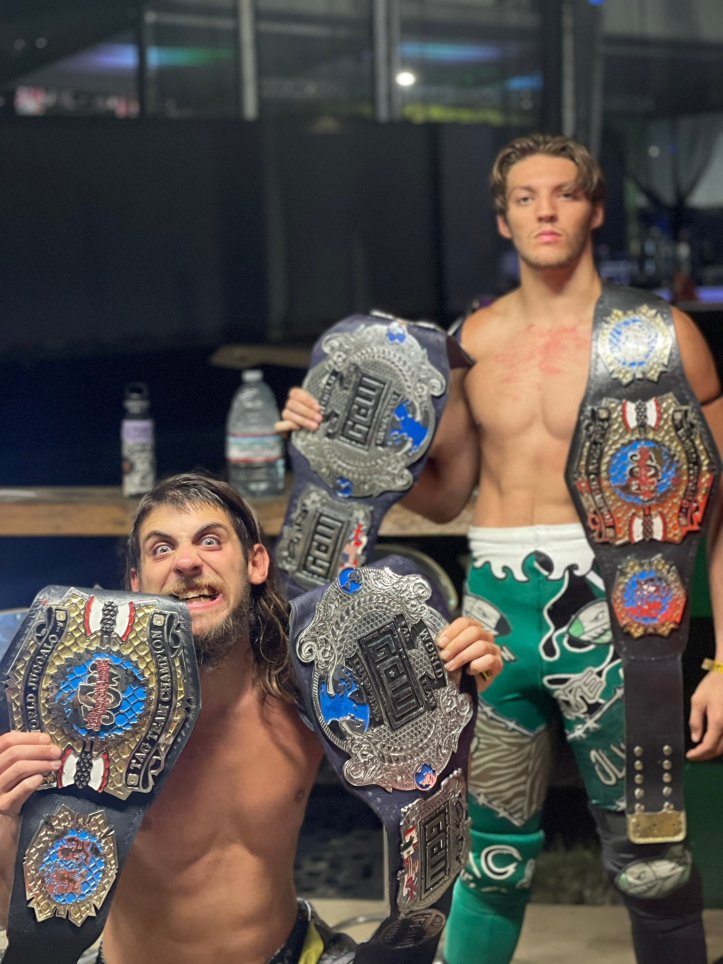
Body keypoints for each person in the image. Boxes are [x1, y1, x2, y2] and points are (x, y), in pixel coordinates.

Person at [277, 134, 723, 964]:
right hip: (487, 629)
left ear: (594, 209)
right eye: (525, 198)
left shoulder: (658, 337)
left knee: (653, 861)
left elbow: (715, 514)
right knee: (482, 863)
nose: (544, 211)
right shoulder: (468, 343)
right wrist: (333, 435)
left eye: (563, 194)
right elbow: (442, 493)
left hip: (623, 623)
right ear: (502, 218)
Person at [0, 472, 503, 964]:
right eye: (161, 548)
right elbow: (13, 915)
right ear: (136, 583)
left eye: (210, 541)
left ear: (256, 563)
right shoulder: (81, 718)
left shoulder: (310, 690)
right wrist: (4, 815)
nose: (187, 562)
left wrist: (457, 693)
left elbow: (436, 793)